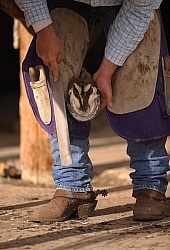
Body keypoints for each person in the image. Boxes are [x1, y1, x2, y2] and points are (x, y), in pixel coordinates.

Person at [14, 0, 170, 222]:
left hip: (131, 4)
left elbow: (140, 7)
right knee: (56, 77)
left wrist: (106, 71)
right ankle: (72, 185)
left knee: (142, 75)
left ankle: (150, 186)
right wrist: (43, 29)